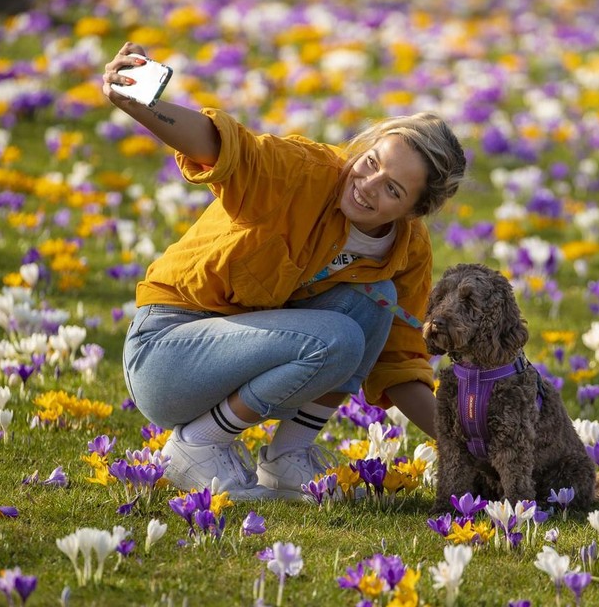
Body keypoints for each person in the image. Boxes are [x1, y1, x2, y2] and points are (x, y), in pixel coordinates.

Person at [103, 42, 467, 500]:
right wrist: (144, 105)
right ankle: (198, 445)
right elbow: (227, 149)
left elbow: (400, 363)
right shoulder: (302, 171)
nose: (367, 186)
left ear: (415, 210)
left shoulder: (405, 249)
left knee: (375, 304)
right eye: (371, 162)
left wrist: (465, 448)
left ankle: (287, 459)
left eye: (392, 189)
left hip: (241, 346)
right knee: (339, 336)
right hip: (166, 357)